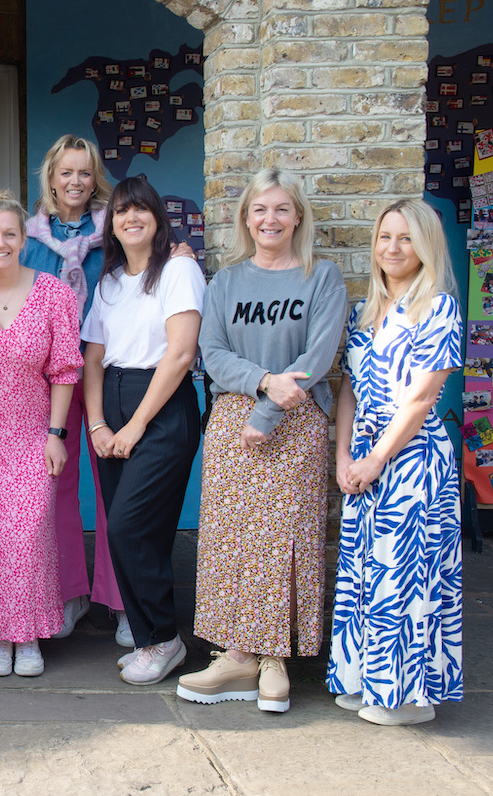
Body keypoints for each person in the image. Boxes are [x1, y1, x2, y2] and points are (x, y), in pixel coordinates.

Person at [177, 168, 347, 714]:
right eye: (259, 210)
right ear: (245, 218)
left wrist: (271, 406)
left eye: (280, 209)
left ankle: (273, 658)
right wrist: (262, 382)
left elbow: (318, 359)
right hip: (233, 419)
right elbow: (214, 353)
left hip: (295, 423)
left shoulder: (322, 279)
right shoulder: (226, 282)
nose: (269, 220)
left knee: (282, 538)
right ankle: (235, 654)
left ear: (297, 215)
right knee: (230, 539)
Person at [327, 199, 463, 726]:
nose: (393, 248)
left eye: (405, 238)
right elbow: (347, 391)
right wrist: (344, 456)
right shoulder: (369, 308)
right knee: (366, 568)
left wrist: (379, 458)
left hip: (412, 458)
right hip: (364, 458)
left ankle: (407, 697)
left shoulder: (439, 307)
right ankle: (366, 680)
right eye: (385, 237)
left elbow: (422, 398)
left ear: (425, 244)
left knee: (406, 574)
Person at [0, 191, 82, 677]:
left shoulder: (53, 293)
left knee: (28, 532)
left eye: (9, 233)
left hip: (33, 432)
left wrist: (56, 434)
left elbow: (66, 370)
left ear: (24, 239)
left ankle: (28, 635)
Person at [81, 177, 205, 686]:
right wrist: (97, 424)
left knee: (129, 527)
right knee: (132, 533)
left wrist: (133, 426)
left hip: (162, 408)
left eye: (140, 210)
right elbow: (91, 357)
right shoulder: (110, 279)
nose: (130, 219)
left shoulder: (177, 269)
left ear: (157, 217)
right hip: (111, 401)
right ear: (111, 224)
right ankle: (151, 636)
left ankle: (165, 639)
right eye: (120, 212)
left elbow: (179, 354)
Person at [22, 134, 127, 644]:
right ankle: (69, 593)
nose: (76, 183)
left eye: (84, 173)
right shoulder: (27, 238)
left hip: (107, 368)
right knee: (55, 484)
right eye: (66, 172)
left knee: (114, 485)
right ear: (51, 176)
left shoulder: (117, 230)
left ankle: (122, 596)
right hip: (50, 378)